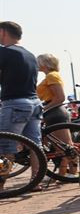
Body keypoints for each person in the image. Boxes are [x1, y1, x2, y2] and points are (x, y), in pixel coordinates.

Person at [0, 21, 42, 186]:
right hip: (34, 102)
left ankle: (1, 186)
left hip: (15, 104)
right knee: (35, 145)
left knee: (5, 145)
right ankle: (36, 181)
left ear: (3, 32)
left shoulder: (5, 52)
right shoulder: (30, 55)